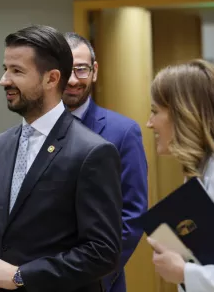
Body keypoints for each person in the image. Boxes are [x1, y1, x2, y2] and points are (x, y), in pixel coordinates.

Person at [0, 25, 122, 292]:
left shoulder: (92, 152)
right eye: (5, 69)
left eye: (17, 71)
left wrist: (21, 275)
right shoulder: (1, 145)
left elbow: (102, 253)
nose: (4, 80)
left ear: (51, 79)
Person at [63, 32, 148, 292]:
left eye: (81, 69)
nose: (73, 80)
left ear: (94, 70)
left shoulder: (122, 132)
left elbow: (132, 215)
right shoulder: (33, 132)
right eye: (65, 70)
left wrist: (93, 273)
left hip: (98, 282)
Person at [146, 59, 214, 292]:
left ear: (183, 115)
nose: (149, 124)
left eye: (155, 112)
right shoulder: (198, 171)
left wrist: (184, 273)